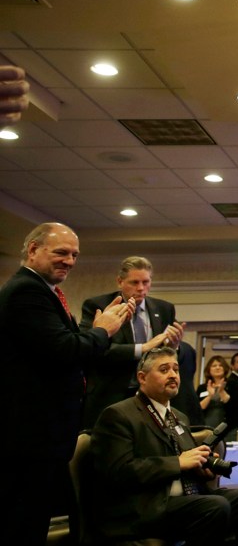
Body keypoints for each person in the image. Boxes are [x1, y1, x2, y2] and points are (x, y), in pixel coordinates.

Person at [0, 222, 130, 546]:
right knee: (22, 526)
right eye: (61, 252)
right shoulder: (26, 291)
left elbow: (72, 350)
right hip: (28, 437)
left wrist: (98, 331)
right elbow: (66, 350)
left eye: (74, 255)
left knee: (34, 521)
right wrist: (103, 330)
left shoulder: (46, 293)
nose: (70, 261)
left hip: (42, 436)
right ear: (33, 250)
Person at [90, 346, 238, 545]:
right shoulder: (119, 414)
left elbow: (188, 461)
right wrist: (177, 463)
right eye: (164, 370)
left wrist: (202, 467)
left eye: (176, 369)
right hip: (145, 506)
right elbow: (118, 472)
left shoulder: (179, 417)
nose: (173, 375)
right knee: (215, 506)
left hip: (191, 497)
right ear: (142, 377)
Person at [80, 256, 184, 429]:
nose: (141, 288)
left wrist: (173, 347)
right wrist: (143, 348)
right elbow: (94, 349)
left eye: (146, 282)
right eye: (134, 282)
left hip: (151, 396)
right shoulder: (98, 305)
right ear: (120, 281)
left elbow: (167, 354)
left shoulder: (164, 309)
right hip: (110, 393)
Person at [197, 356, 234, 430]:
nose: (217, 368)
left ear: (225, 368)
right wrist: (209, 396)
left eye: (220, 365)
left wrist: (222, 392)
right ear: (209, 369)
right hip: (206, 428)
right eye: (214, 366)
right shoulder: (202, 388)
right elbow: (198, 408)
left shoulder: (232, 385)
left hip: (228, 429)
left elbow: (235, 408)